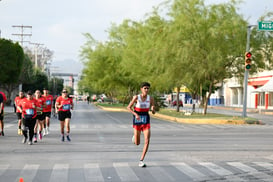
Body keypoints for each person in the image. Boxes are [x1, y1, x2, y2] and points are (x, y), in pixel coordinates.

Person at [127, 82, 155, 167]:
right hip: (137, 119)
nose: (146, 90)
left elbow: (153, 109)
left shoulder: (150, 98)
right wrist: (135, 114)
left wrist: (153, 109)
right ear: (141, 89)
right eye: (145, 88)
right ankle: (135, 137)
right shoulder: (136, 97)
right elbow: (128, 107)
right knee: (137, 143)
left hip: (146, 119)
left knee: (147, 140)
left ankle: (141, 160)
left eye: (148, 88)